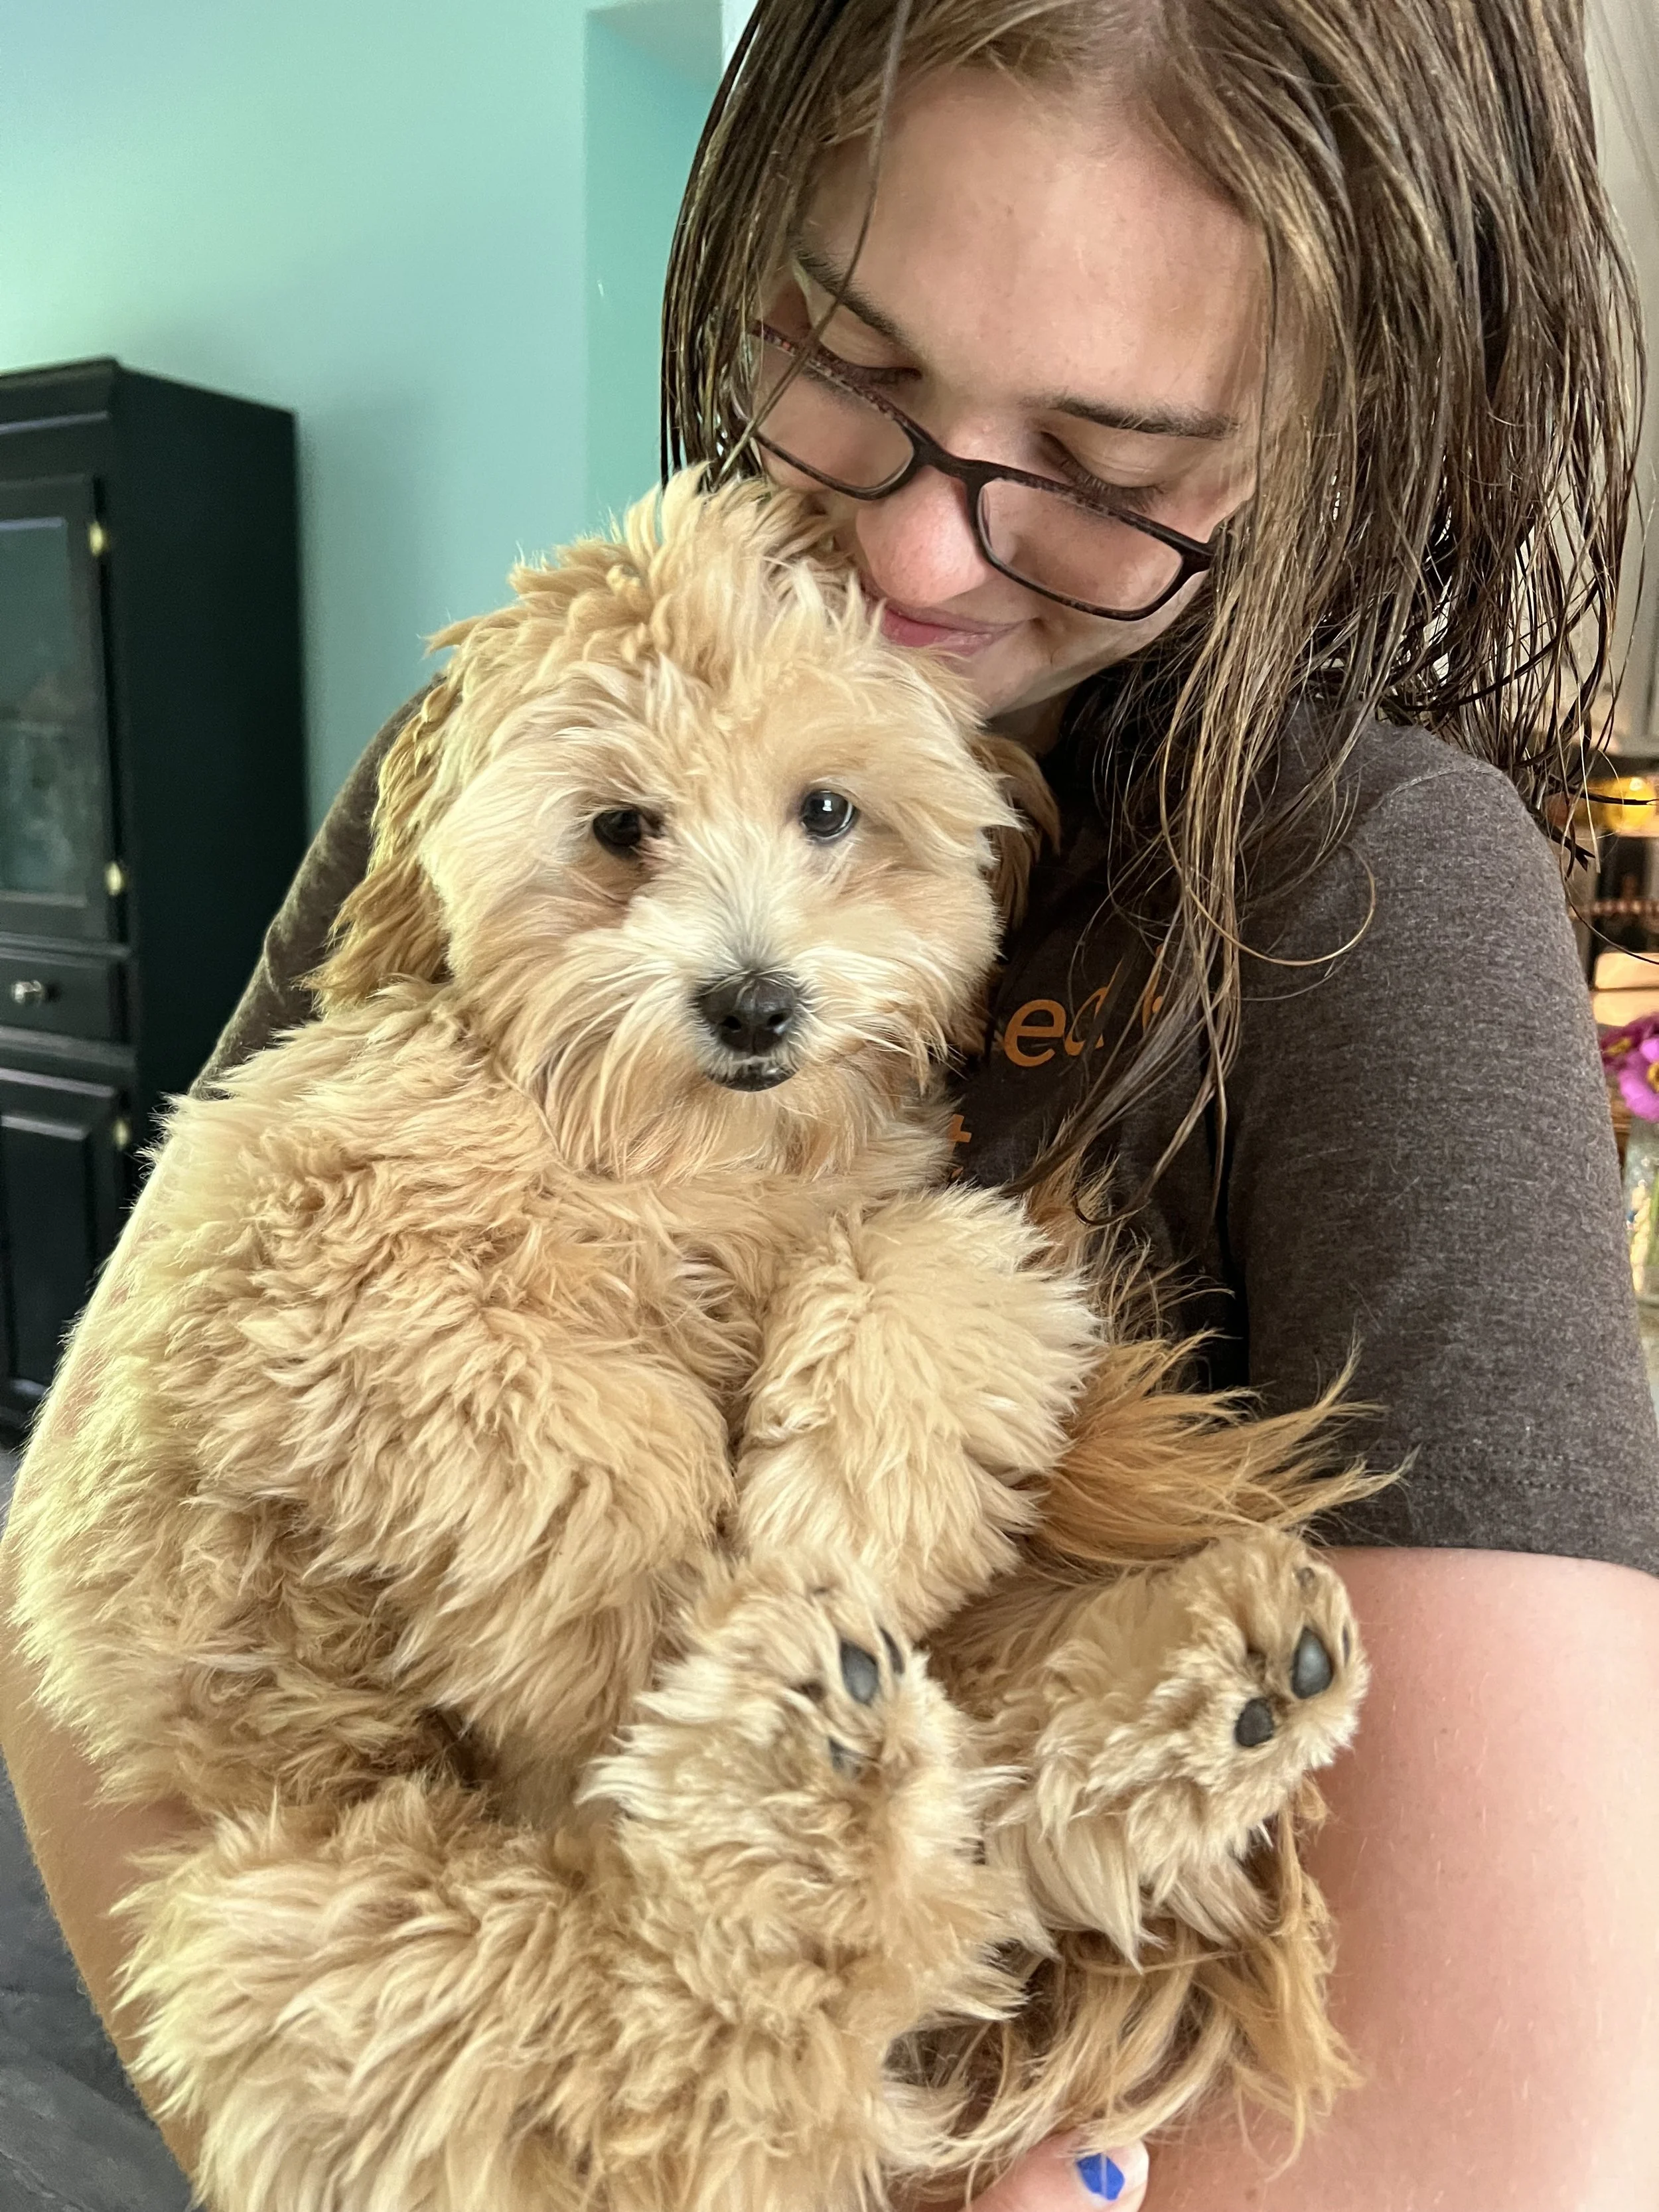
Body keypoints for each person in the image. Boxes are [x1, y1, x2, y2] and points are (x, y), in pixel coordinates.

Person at [5, 1, 1659, 2205]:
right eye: (845, 369)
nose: (913, 563)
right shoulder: (487, 752)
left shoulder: (1371, 883)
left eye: (1096, 471)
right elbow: (99, 1576)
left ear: (1283, 453)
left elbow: (1504, 2120)